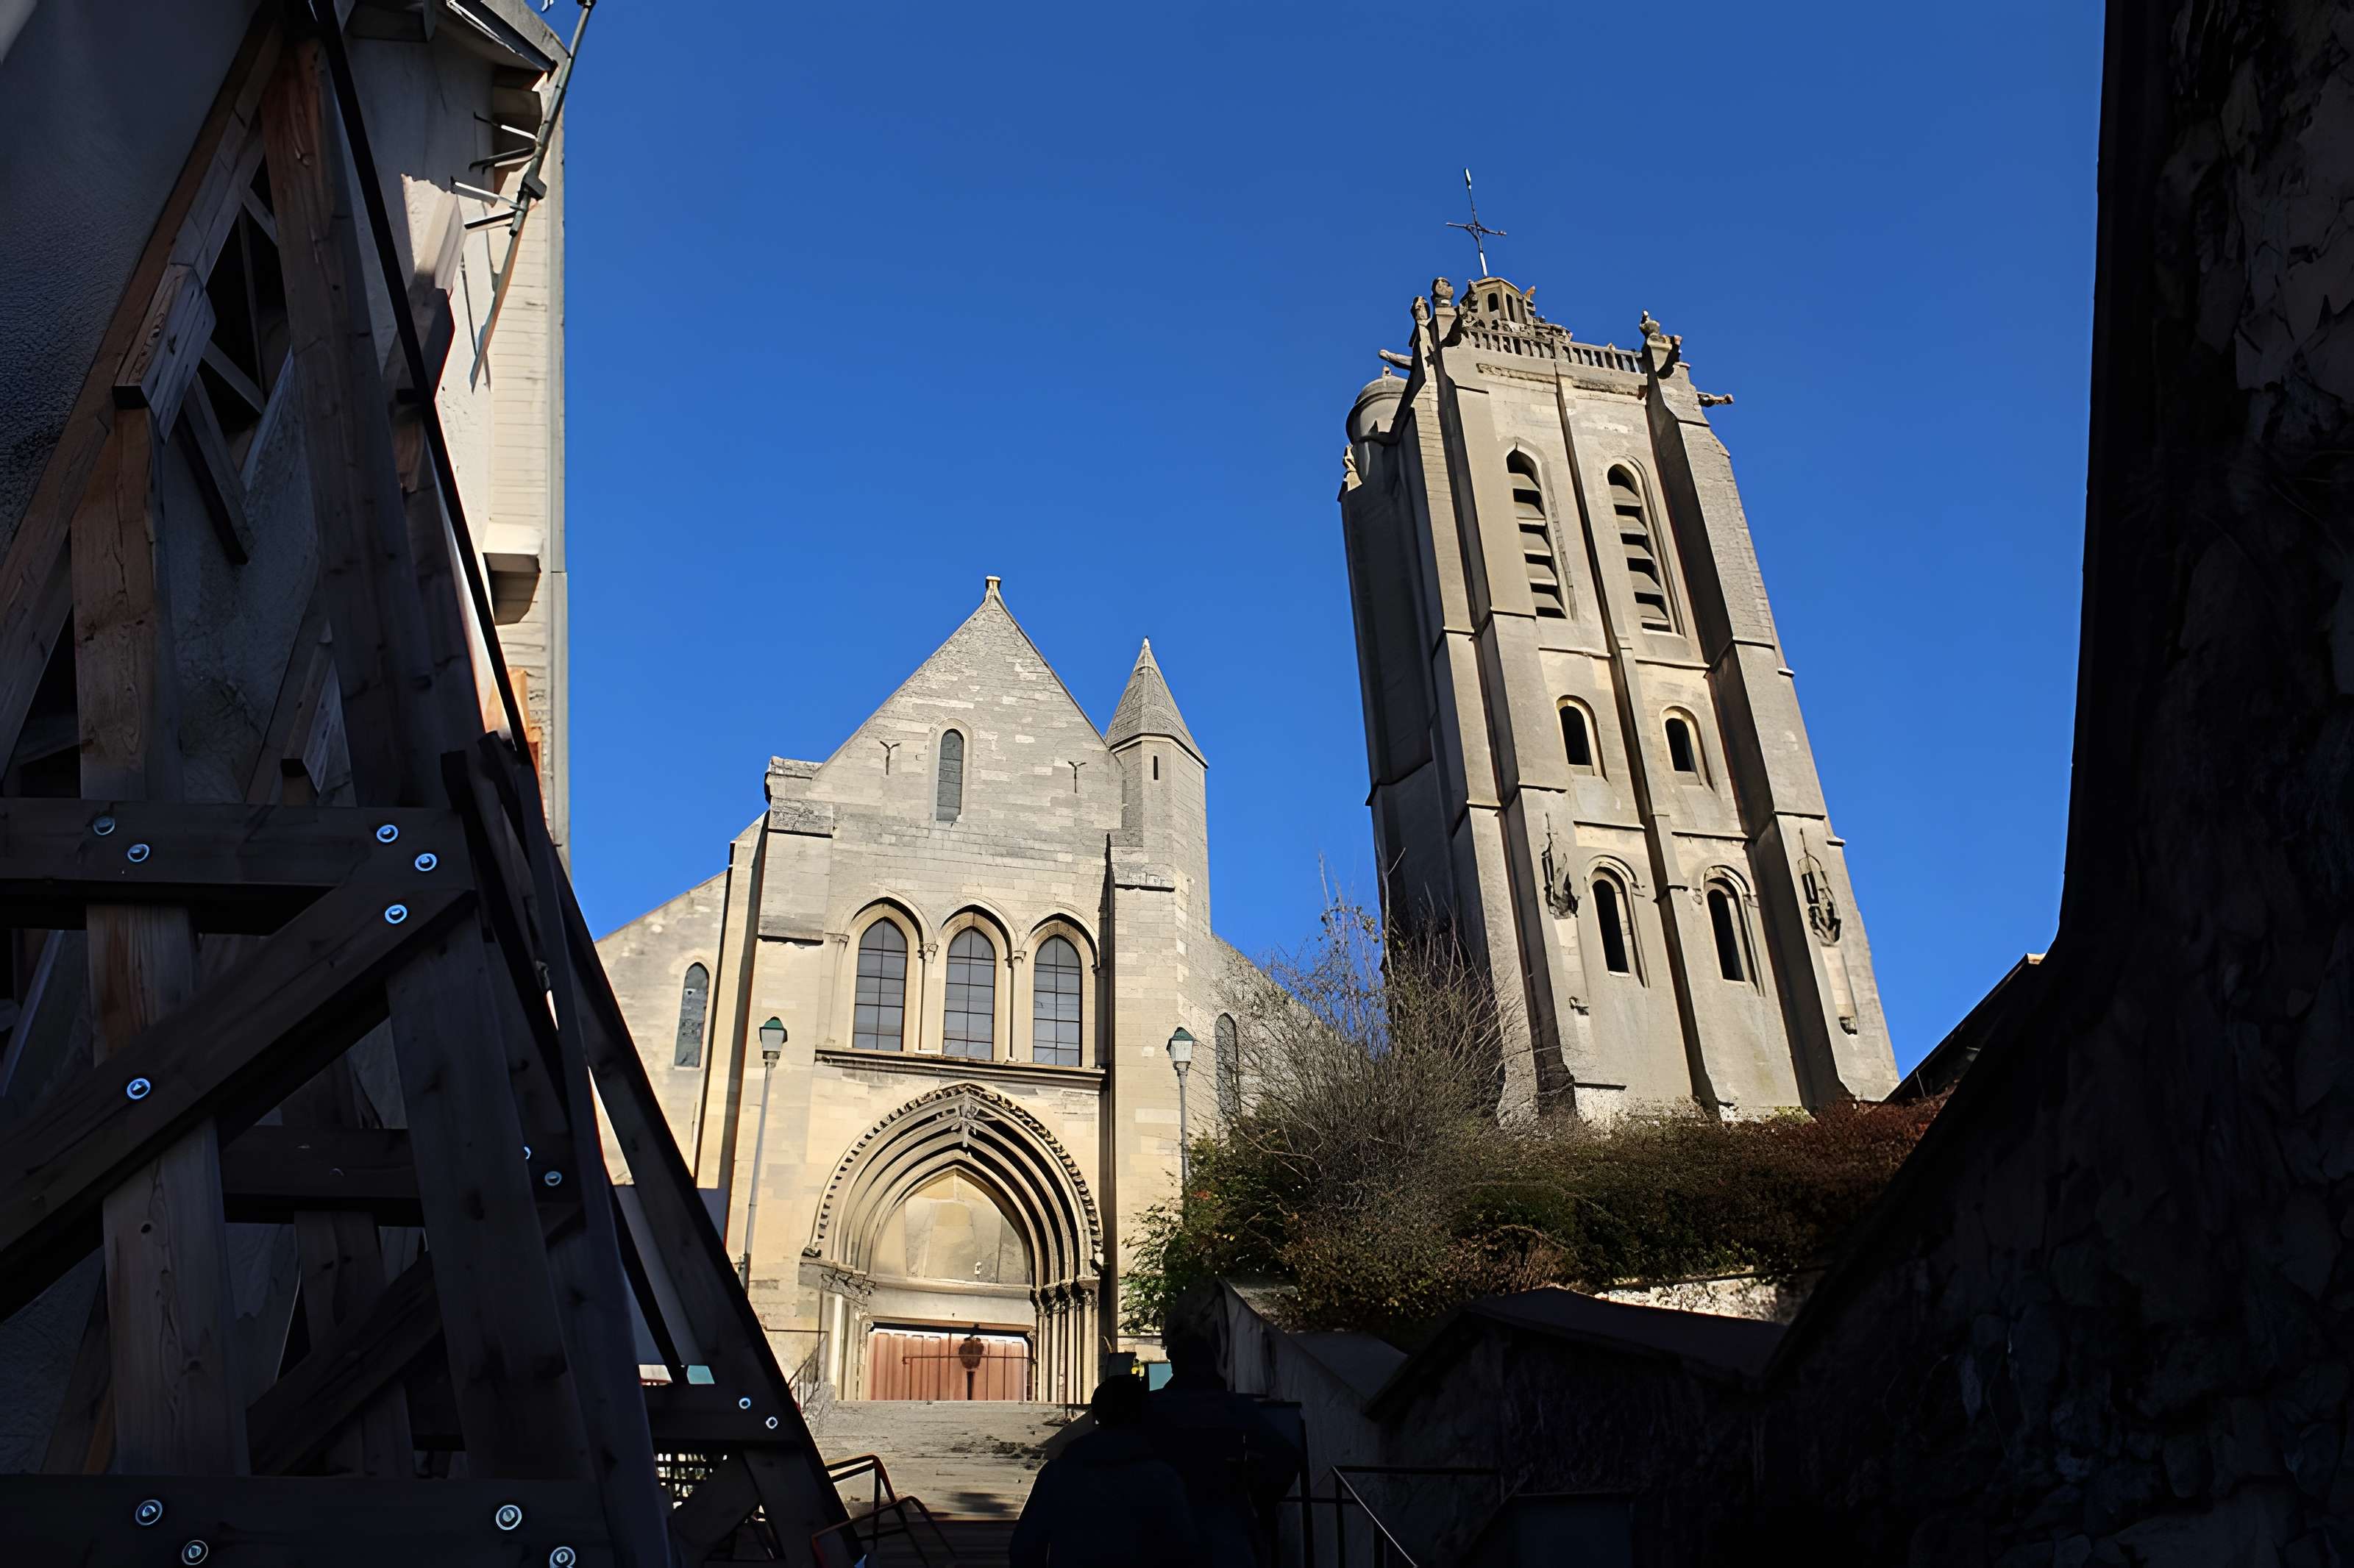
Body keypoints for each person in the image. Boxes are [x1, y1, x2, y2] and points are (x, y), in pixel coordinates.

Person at [1011, 1375, 1206, 1567]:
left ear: (1096, 1417)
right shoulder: (1162, 1477)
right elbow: (1184, 1548)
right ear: (1144, 1416)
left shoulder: (1057, 1474)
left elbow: (1026, 1546)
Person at [1145, 1330, 1301, 1568]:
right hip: (1226, 1516)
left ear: (1175, 1364)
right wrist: (1259, 1500)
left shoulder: (1151, 1407)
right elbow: (1285, 1456)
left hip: (1164, 1519)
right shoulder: (1233, 1406)